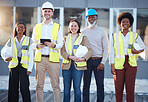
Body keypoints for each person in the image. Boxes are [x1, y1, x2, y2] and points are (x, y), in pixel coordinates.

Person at [110, 12, 146, 102]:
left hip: (131, 65)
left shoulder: (134, 35)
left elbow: (143, 47)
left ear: (130, 23)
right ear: (120, 23)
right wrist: (112, 65)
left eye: (127, 21)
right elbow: (112, 52)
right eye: (123, 21)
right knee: (118, 89)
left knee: (130, 89)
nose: (125, 23)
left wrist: (136, 51)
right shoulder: (114, 36)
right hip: (118, 65)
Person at [32, 1, 63, 102]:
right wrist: (37, 46)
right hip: (40, 60)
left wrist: (53, 45)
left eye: (49, 11)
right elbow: (32, 43)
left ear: (52, 13)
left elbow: (60, 44)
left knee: (55, 86)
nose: (47, 13)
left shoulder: (58, 27)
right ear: (42, 12)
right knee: (39, 85)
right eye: (45, 11)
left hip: (53, 60)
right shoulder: (37, 27)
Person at [61, 19, 93, 102]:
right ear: (69, 27)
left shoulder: (83, 38)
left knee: (77, 88)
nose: (73, 28)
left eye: (75, 26)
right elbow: (62, 51)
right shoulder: (65, 38)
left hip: (78, 67)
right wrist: (70, 57)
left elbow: (90, 51)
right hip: (67, 66)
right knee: (66, 89)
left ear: (78, 27)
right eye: (71, 26)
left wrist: (83, 58)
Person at [1, 21, 33, 102]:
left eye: (22, 27)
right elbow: (3, 51)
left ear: (24, 29)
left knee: (24, 87)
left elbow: (31, 55)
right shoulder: (11, 41)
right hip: (14, 65)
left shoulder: (28, 40)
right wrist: (5, 58)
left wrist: (30, 68)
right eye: (19, 26)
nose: (20, 28)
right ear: (16, 28)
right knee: (13, 87)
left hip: (24, 65)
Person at [81, 9, 109, 102]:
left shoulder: (102, 32)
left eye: (93, 17)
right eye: (89, 17)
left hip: (98, 61)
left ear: (96, 17)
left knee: (100, 85)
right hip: (87, 61)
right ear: (87, 19)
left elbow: (106, 48)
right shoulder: (83, 31)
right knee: (86, 85)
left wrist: (103, 62)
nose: (91, 19)